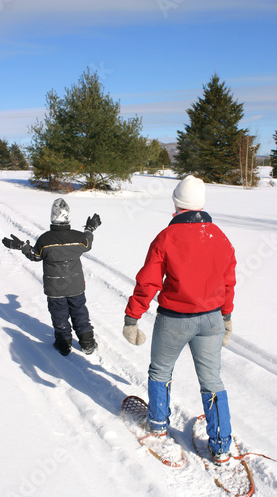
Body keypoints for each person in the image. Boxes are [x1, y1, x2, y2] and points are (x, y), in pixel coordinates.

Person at [123, 175, 236, 464]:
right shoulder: (220, 237)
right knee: (212, 380)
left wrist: (132, 317)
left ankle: (159, 426)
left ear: (177, 204)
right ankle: (222, 446)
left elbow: (148, 281)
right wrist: (226, 317)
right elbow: (228, 282)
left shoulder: (166, 237)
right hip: (211, 320)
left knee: (160, 371)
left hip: (174, 320)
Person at [2, 198, 101, 356]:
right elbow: (87, 243)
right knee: (79, 311)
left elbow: (35, 256)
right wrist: (89, 228)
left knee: (59, 314)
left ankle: (63, 343)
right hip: (75, 285)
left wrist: (22, 246)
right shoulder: (78, 238)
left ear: (52, 218)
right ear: (68, 217)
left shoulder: (45, 240)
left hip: (55, 289)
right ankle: (87, 342)